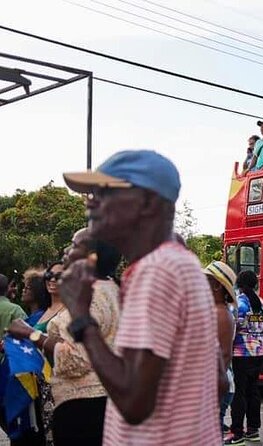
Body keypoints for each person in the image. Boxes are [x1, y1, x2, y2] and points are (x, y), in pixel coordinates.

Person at [60, 149, 222, 445]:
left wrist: (81, 316)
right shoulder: (181, 263)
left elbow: (135, 402)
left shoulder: (156, 270)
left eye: (104, 190)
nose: (91, 201)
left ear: (148, 202)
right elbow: (220, 381)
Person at [8, 228, 122, 445]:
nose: (65, 251)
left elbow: (77, 357)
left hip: (85, 410)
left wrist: (31, 334)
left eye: (73, 245)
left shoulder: (89, 296)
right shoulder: (110, 289)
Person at [227, 270, 263, 445]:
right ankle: (253, 430)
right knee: (253, 391)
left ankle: (236, 433)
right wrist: (259, 343)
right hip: (259, 353)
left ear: (239, 284)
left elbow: (233, 330)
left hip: (241, 354)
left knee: (239, 393)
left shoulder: (239, 304)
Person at [203, 261, 237, 438]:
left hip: (216, 386)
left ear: (216, 285)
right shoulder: (215, 311)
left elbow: (224, 356)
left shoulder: (221, 314)